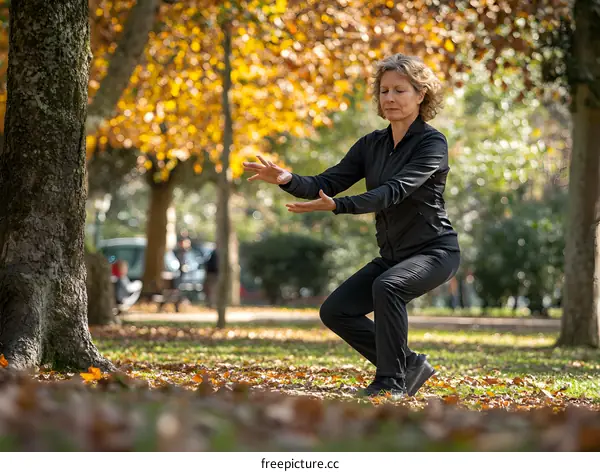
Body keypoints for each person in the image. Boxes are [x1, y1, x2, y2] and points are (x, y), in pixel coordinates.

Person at [243, 53, 460, 399]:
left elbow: (394, 192)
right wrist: (286, 178)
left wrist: (339, 206)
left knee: (388, 287)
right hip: (393, 254)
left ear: (421, 95)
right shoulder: (371, 145)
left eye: (400, 90)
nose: (389, 98)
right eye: (384, 90)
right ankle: (407, 365)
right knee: (336, 310)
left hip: (435, 252)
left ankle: (391, 382)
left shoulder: (432, 144)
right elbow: (328, 181)